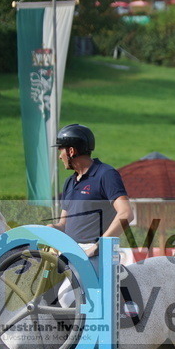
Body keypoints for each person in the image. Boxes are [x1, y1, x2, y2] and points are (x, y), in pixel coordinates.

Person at [53, 123, 132, 306]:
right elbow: (63, 224)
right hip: (70, 253)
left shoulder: (106, 174)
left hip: (97, 254)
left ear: (71, 151)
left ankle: (94, 334)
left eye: (61, 150)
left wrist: (98, 246)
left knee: (67, 298)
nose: (59, 156)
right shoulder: (69, 182)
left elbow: (126, 213)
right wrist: (48, 230)